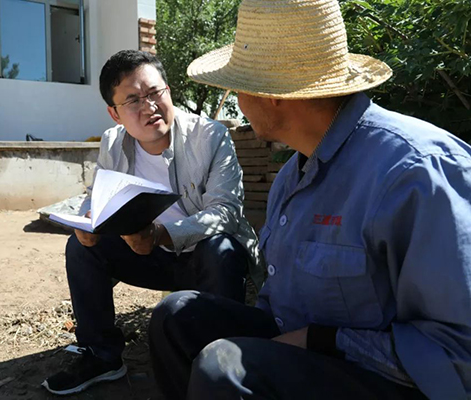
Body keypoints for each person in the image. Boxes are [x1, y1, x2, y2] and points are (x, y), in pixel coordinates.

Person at [149, 0, 471, 399]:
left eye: (238, 86)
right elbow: (281, 308)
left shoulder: (415, 172)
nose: (237, 101)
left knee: (223, 369)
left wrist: (323, 340)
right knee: (177, 317)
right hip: (311, 355)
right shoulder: (292, 177)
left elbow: (458, 355)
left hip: (388, 379)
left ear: (271, 94)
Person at [41, 50, 264, 395]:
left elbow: (227, 211)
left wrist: (162, 234)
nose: (149, 107)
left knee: (220, 247)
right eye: (133, 100)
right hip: (148, 257)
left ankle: (222, 360)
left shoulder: (210, 136)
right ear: (114, 113)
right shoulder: (113, 143)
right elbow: (98, 195)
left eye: (155, 92)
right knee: (81, 247)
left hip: (203, 259)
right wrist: (88, 220)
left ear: (168, 90)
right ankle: (101, 355)